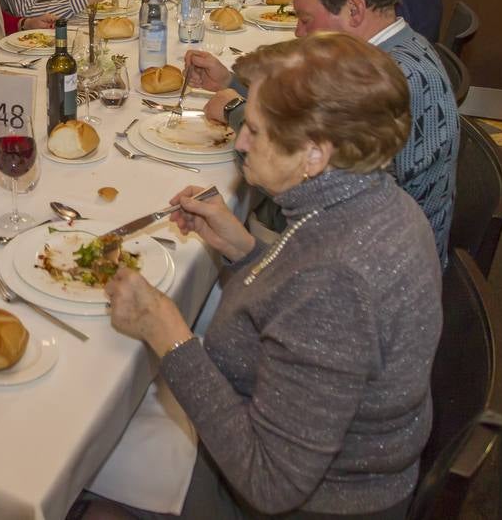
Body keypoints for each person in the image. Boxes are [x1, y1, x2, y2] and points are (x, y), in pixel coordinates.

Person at [100, 34, 442, 519]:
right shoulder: (377, 201)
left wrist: (165, 330)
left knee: (83, 449)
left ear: (315, 155)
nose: (239, 140)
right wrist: (243, 248)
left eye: (255, 131)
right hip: (334, 458)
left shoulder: (336, 282)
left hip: (316, 501)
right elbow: (298, 294)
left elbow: (270, 481)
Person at [186, 0, 459, 263]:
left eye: (305, 19)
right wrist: (230, 83)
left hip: (374, 265)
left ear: (354, 9)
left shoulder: (377, 80)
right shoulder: (404, 46)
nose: (299, 32)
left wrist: (236, 112)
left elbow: (295, 175)